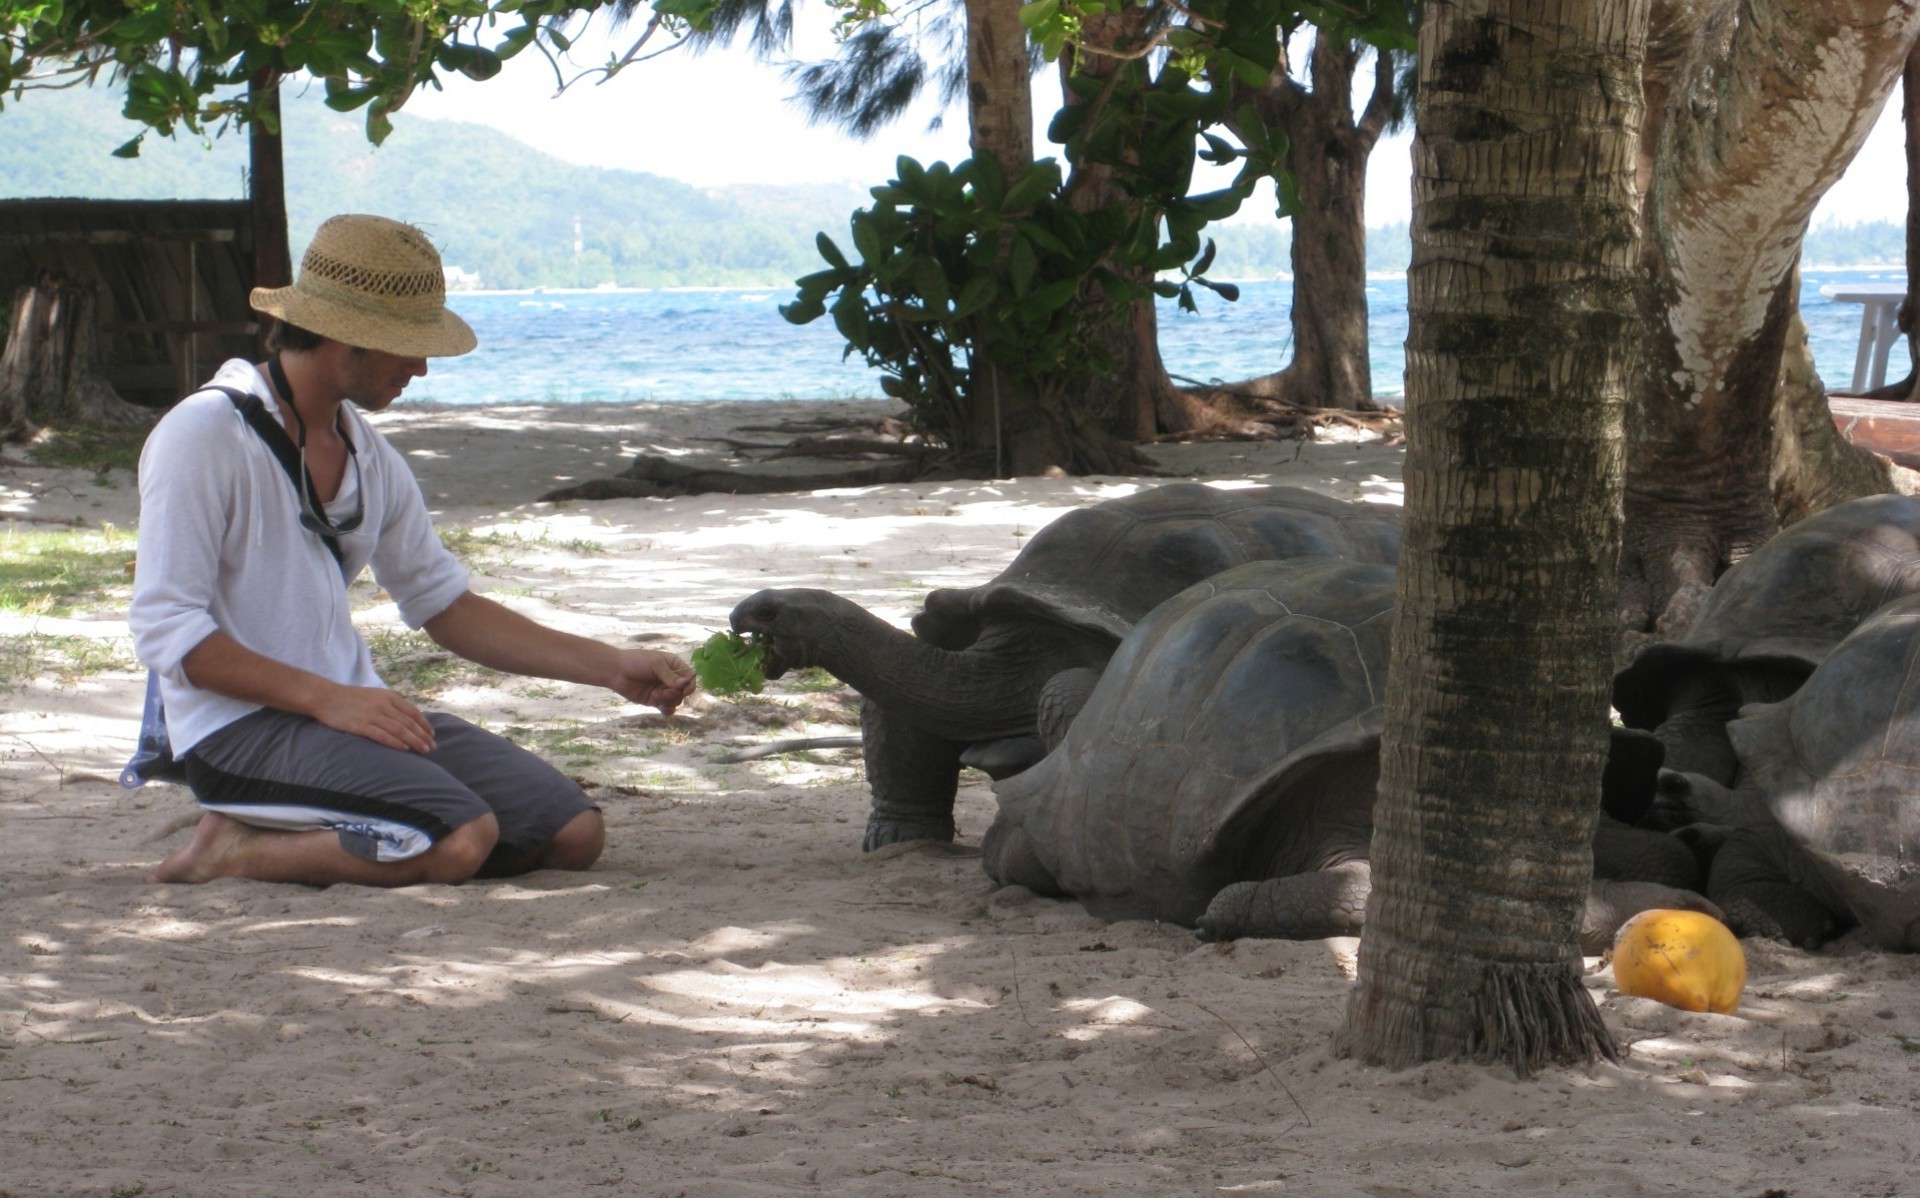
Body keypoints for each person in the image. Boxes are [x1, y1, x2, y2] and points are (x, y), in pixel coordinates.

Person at [131, 213, 695, 887]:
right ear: (348, 338)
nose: (422, 368)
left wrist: (612, 667)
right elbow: (168, 628)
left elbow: (445, 605)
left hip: (346, 716)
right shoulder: (202, 434)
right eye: (408, 345)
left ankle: (315, 826)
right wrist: (327, 699)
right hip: (237, 732)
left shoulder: (371, 457)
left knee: (573, 832)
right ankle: (234, 850)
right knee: (460, 837)